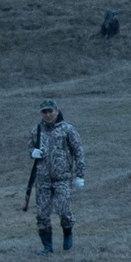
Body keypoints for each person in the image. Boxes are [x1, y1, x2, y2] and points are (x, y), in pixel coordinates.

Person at [28, 99, 85, 253]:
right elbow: (30, 146)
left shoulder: (68, 130)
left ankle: (68, 232)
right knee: (42, 215)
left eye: (50, 111)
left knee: (63, 211)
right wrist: (32, 152)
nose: (47, 114)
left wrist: (80, 175)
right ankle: (47, 247)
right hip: (43, 180)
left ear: (57, 111)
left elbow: (78, 151)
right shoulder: (37, 130)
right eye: (44, 112)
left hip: (63, 179)